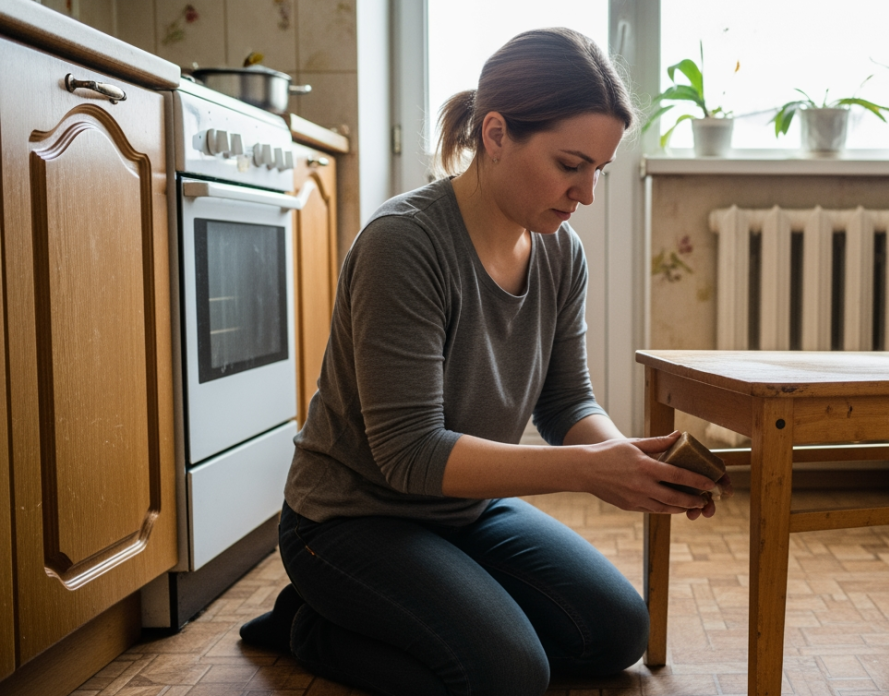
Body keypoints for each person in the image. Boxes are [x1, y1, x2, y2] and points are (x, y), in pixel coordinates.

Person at [237, 27, 729, 696]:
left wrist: (629, 463)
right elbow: (409, 454)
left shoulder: (561, 251)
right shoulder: (404, 245)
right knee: (508, 675)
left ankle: (422, 608)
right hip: (349, 522)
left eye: (597, 171)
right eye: (569, 164)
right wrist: (587, 472)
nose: (585, 193)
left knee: (616, 634)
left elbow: (565, 401)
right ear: (495, 134)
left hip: (464, 508)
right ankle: (311, 626)